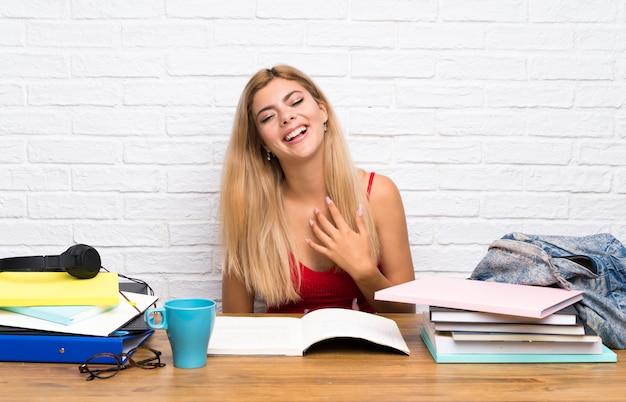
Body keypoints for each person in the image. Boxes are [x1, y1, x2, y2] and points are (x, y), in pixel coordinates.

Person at [219, 65, 415, 314]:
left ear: (322, 111)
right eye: (268, 117)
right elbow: (236, 324)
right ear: (261, 143)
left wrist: (363, 270)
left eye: (296, 102)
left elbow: (407, 315)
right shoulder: (249, 211)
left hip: (367, 352)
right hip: (284, 352)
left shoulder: (379, 194)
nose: (287, 117)